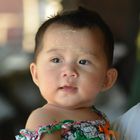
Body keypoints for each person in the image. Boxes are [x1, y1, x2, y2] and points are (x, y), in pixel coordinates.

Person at [16, 7, 118, 140]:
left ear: (107, 79)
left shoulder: (99, 117)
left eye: (83, 61)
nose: (69, 71)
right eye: (56, 60)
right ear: (36, 74)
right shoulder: (44, 118)